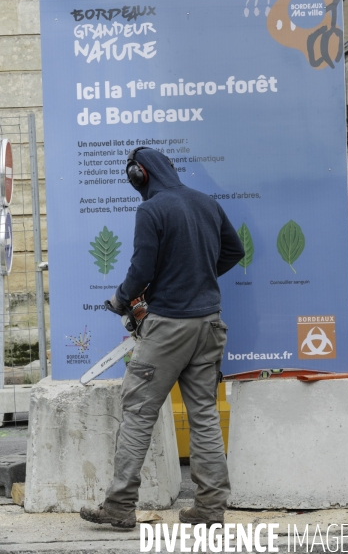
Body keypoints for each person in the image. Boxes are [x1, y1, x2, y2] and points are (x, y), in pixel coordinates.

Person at [80, 147, 244, 529]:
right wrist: (199, 276)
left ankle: (119, 507)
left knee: (138, 414)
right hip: (209, 323)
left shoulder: (150, 210)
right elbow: (234, 250)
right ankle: (209, 509)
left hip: (168, 327)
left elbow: (140, 270)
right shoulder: (205, 202)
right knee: (203, 415)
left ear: (140, 176)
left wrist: (122, 300)